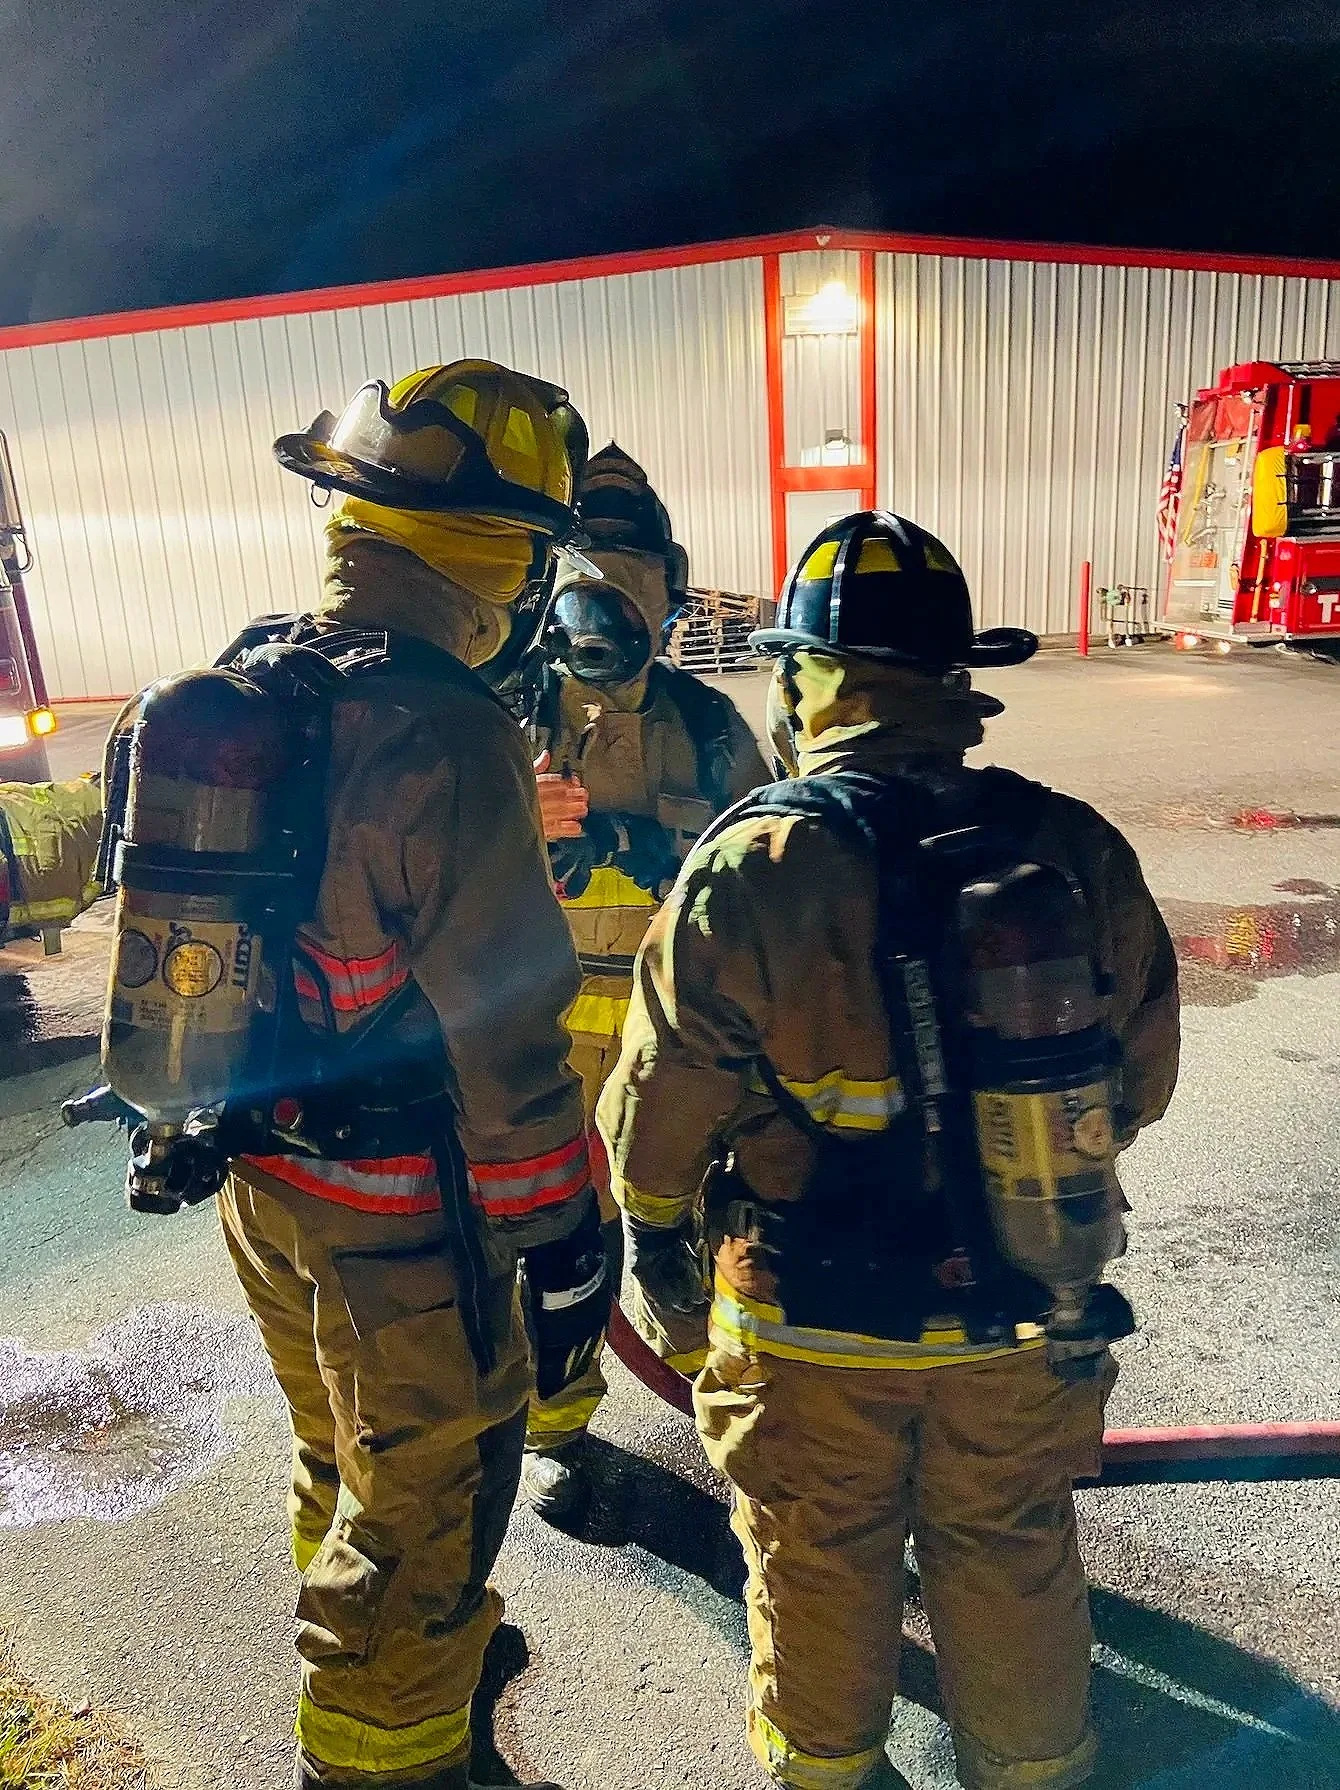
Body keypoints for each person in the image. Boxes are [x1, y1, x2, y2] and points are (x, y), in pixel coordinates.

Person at [598, 510, 1180, 1790]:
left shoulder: (751, 860)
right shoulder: (1073, 844)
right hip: (1023, 1304)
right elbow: (1139, 1079)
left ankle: (823, 1768)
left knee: (815, 1553)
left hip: (804, 1321)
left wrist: (652, 1230)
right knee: (1009, 1543)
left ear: (806, 679)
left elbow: (656, 1107)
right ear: (952, 677)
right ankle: (1032, 1768)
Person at [216, 362, 609, 1790]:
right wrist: (564, 1235)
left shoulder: (253, 675)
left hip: (260, 1180)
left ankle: (394, 1673)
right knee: (424, 1509)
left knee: (340, 1449)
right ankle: (387, 1751)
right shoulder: (445, 729)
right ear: (499, 553)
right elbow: (506, 1034)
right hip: (401, 1222)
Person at [520, 443, 769, 1525]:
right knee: (549, 1243)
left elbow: (765, 871)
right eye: (589, 570)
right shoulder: (506, 719)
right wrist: (516, 823)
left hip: (677, 1029)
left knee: (690, 1225)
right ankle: (552, 1423)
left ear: (667, 592)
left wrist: (637, 843)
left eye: (633, 579)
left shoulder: (708, 726)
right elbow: (415, 864)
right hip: (537, 1034)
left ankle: (733, 1406)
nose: (606, 606)